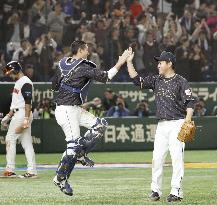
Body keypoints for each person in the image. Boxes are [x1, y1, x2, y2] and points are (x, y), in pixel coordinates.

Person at [52, 40, 131, 196]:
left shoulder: (62, 63)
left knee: (100, 125)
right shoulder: (83, 67)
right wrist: (121, 61)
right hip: (66, 110)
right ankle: (60, 178)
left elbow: (54, 85)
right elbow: (106, 76)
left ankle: (81, 153)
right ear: (80, 50)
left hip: (73, 108)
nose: (88, 52)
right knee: (73, 145)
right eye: (86, 49)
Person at [126, 49, 195, 202]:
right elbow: (137, 80)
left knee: (177, 158)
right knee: (157, 159)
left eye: (161, 62)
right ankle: (155, 190)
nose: (158, 65)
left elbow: (190, 102)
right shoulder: (156, 80)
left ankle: (176, 191)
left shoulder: (181, 81)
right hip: (162, 125)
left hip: (177, 123)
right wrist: (129, 62)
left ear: (169, 64)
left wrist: (187, 120)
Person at [0, 61, 37, 178]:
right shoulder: (19, 82)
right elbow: (16, 103)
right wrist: (8, 115)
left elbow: (27, 102)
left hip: (22, 114)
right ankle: (32, 171)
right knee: (26, 143)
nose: (10, 75)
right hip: (19, 113)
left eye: (11, 73)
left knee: (10, 138)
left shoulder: (25, 82)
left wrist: (26, 118)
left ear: (15, 70)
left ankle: (10, 170)